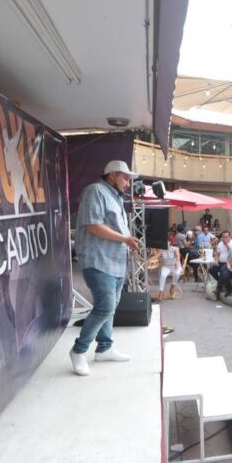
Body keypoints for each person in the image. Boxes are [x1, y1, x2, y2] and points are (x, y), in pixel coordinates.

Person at [70, 160, 140, 375]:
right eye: (125, 177)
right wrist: (126, 239)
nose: (128, 183)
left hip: (115, 262)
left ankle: (104, 347)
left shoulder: (115, 197)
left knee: (110, 307)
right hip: (98, 260)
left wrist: (127, 243)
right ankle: (78, 350)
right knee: (105, 307)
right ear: (112, 175)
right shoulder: (95, 191)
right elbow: (92, 224)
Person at [207, 230, 232, 294]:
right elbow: (217, 253)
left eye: (226, 237)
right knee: (211, 270)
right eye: (223, 237)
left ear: (230, 237)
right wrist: (216, 261)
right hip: (221, 262)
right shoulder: (220, 244)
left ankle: (219, 288)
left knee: (222, 271)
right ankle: (222, 282)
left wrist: (226, 244)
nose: (224, 238)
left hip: (229, 263)